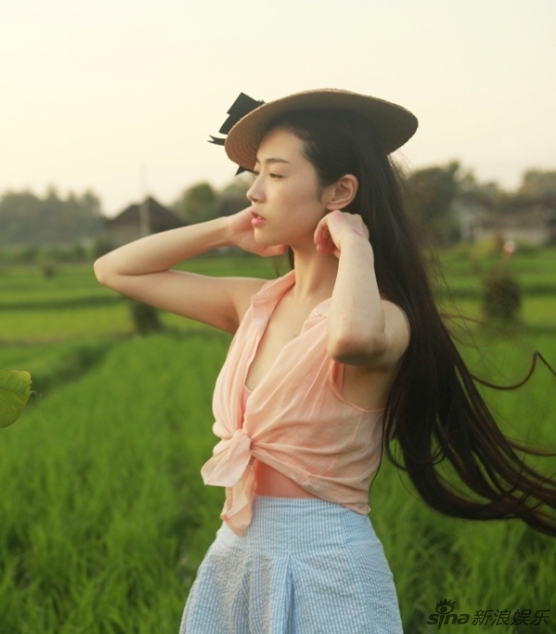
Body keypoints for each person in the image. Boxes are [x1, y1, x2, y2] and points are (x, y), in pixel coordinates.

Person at [92, 88, 556, 633]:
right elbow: (115, 270)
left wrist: (356, 245)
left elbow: (349, 340)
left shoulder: (388, 320)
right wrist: (223, 230)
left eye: (277, 175)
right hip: (235, 560)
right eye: (254, 175)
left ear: (340, 192)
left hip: (328, 571)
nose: (256, 193)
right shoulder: (256, 304)